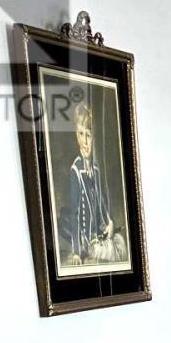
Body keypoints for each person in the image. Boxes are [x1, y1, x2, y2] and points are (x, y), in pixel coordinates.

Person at [57, 100, 128, 269]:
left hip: (98, 234)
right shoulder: (76, 171)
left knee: (120, 243)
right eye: (81, 134)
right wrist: (75, 252)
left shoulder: (95, 169)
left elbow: (101, 202)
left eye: (88, 135)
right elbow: (74, 214)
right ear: (76, 135)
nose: (85, 142)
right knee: (104, 252)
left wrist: (109, 222)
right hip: (83, 237)